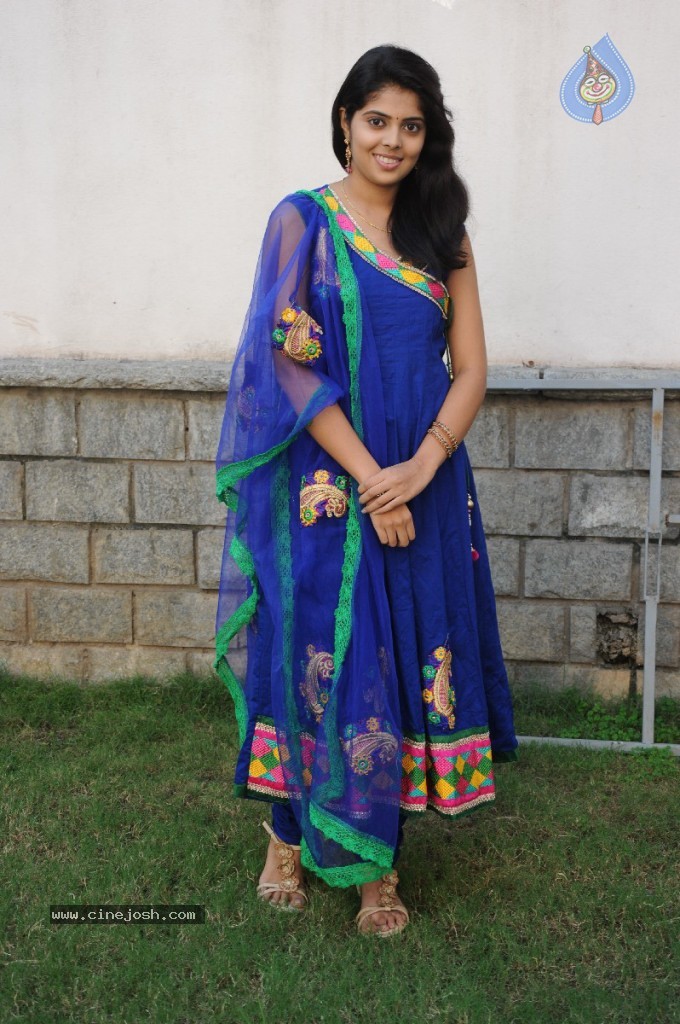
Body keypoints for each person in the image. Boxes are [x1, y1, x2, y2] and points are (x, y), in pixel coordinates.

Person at [214, 44, 518, 937]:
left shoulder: (443, 233)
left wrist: (419, 469)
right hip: (328, 488)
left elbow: (471, 368)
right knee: (323, 654)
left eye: (411, 126)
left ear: (429, 137)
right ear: (345, 123)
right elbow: (287, 363)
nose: (392, 140)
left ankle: (378, 863)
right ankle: (286, 837)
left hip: (428, 481)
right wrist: (374, 484)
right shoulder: (301, 222)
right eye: (377, 120)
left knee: (406, 653)